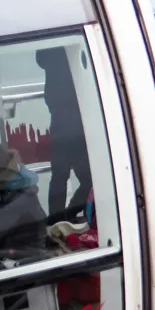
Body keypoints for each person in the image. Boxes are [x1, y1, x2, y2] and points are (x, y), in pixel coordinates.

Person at [36, 47, 92, 223]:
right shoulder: (73, 50)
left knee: (59, 176)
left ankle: (55, 221)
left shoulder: (50, 47)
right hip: (77, 121)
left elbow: (41, 60)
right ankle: (68, 214)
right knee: (89, 179)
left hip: (59, 119)